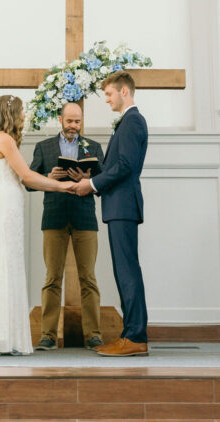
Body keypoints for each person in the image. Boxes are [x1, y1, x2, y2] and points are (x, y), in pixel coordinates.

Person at [0, 95, 74, 355]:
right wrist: (61, 185)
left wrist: (51, 181)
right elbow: (27, 177)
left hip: (3, 204)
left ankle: (1, 337)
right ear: (10, 113)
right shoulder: (5, 139)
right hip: (6, 206)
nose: (24, 116)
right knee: (7, 265)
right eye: (21, 111)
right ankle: (5, 338)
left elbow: (24, 177)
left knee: (3, 265)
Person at [73, 72, 150, 357]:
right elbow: (116, 166)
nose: (106, 99)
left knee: (127, 272)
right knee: (124, 271)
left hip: (123, 206)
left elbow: (126, 166)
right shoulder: (128, 122)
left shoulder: (132, 121)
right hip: (119, 206)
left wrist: (92, 184)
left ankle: (136, 337)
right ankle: (131, 334)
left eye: (109, 94)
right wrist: (90, 175)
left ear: (125, 92)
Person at [27, 101, 105, 350]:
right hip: (54, 217)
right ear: (60, 120)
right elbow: (29, 182)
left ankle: (93, 334)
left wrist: (88, 179)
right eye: (70, 121)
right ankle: (48, 335)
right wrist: (47, 179)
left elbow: (104, 183)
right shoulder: (44, 147)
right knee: (52, 278)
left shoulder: (93, 147)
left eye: (78, 121)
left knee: (89, 279)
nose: (74, 126)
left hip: (84, 218)